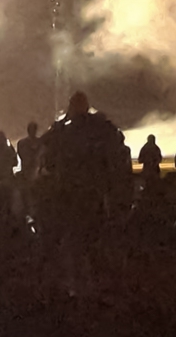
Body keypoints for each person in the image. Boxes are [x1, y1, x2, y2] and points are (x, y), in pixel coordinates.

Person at [39, 91, 125, 291]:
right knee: (95, 240)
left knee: (74, 241)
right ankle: (99, 284)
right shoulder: (100, 127)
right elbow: (117, 141)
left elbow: (47, 146)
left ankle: (77, 285)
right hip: (93, 192)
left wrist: (63, 120)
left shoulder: (65, 132)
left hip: (71, 193)